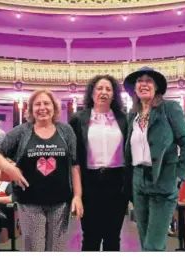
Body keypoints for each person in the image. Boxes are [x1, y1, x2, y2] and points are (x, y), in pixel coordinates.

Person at [0, 89, 83, 251]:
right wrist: (10, 169)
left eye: (46, 103)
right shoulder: (22, 131)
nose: (42, 108)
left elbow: (75, 165)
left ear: (54, 107)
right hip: (30, 201)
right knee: (34, 249)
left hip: (61, 202)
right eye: (37, 104)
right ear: (31, 109)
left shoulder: (66, 131)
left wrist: (77, 196)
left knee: (57, 249)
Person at [123, 66, 185, 251]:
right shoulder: (133, 115)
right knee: (145, 239)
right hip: (138, 181)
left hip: (164, 179)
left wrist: (179, 175)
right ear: (134, 88)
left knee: (153, 245)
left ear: (156, 87)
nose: (143, 84)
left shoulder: (169, 108)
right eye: (139, 81)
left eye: (148, 81)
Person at [69, 75, 128, 251]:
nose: (104, 92)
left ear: (114, 95)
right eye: (99, 88)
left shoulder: (124, 119)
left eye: (108, 89)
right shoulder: (78, 119)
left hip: (117, 182)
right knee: (91, 236)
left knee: (112, 236)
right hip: (89, 182)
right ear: (92, 92)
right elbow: (73, 156)